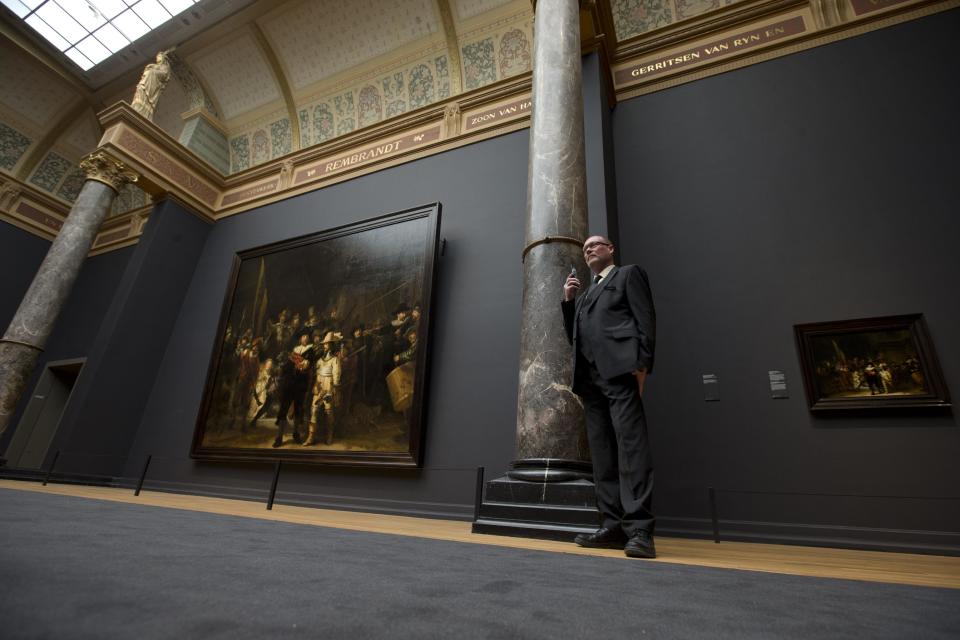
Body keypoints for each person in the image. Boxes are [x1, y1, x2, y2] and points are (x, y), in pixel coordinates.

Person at [561, 235, 657, 559]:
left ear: (611, 249)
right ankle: (612, 525)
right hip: (590, 383)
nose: (589, 249)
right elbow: (575, 335)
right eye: (586, 247)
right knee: (602, 456)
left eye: (596, 244)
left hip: (621, 373)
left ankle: (640, 530)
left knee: (631, 449)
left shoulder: (628, 274)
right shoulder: (586, 293)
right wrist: (569, 300)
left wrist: (642, 366)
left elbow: (646, 320)